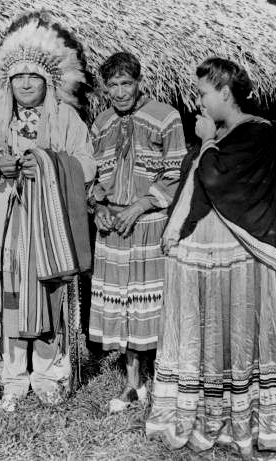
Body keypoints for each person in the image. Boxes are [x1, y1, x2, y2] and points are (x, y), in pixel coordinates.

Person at [145, 57, 276, 457]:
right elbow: (193, 176)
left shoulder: (257, 134)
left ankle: (242, 422)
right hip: (204, 254)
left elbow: (215, 178)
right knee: (209, 330)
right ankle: (206, 414)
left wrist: (207, 141)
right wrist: (206, 144)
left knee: (236, 332)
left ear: (225, 93)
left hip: (239, 253)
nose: (199, 101)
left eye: (203, 93)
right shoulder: (219, 135)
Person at [0, 11, 96, 412]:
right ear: (7, 81)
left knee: (49, 292)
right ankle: (13, 380)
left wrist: (46, 163)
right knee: (10, 297)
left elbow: (86, 164)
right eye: (18, 76)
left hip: (50, 228)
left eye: (34, 76)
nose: (25, 83)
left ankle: (49, 376)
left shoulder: (66, 117)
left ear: (48, 81)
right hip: (9, 224)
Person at [88, 52, 187, 413]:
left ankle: (164, 380)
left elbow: (176, 172)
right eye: (112, 85)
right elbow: (94, 178)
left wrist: (141, 205)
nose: (119, 92)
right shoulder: (100, 124)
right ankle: (132, 385)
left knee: (152, 305)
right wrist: (97, 208)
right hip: (113, 229)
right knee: (124, 306)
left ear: (139, 81)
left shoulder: (166, 117)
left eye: (126, 83)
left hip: (148, 225)